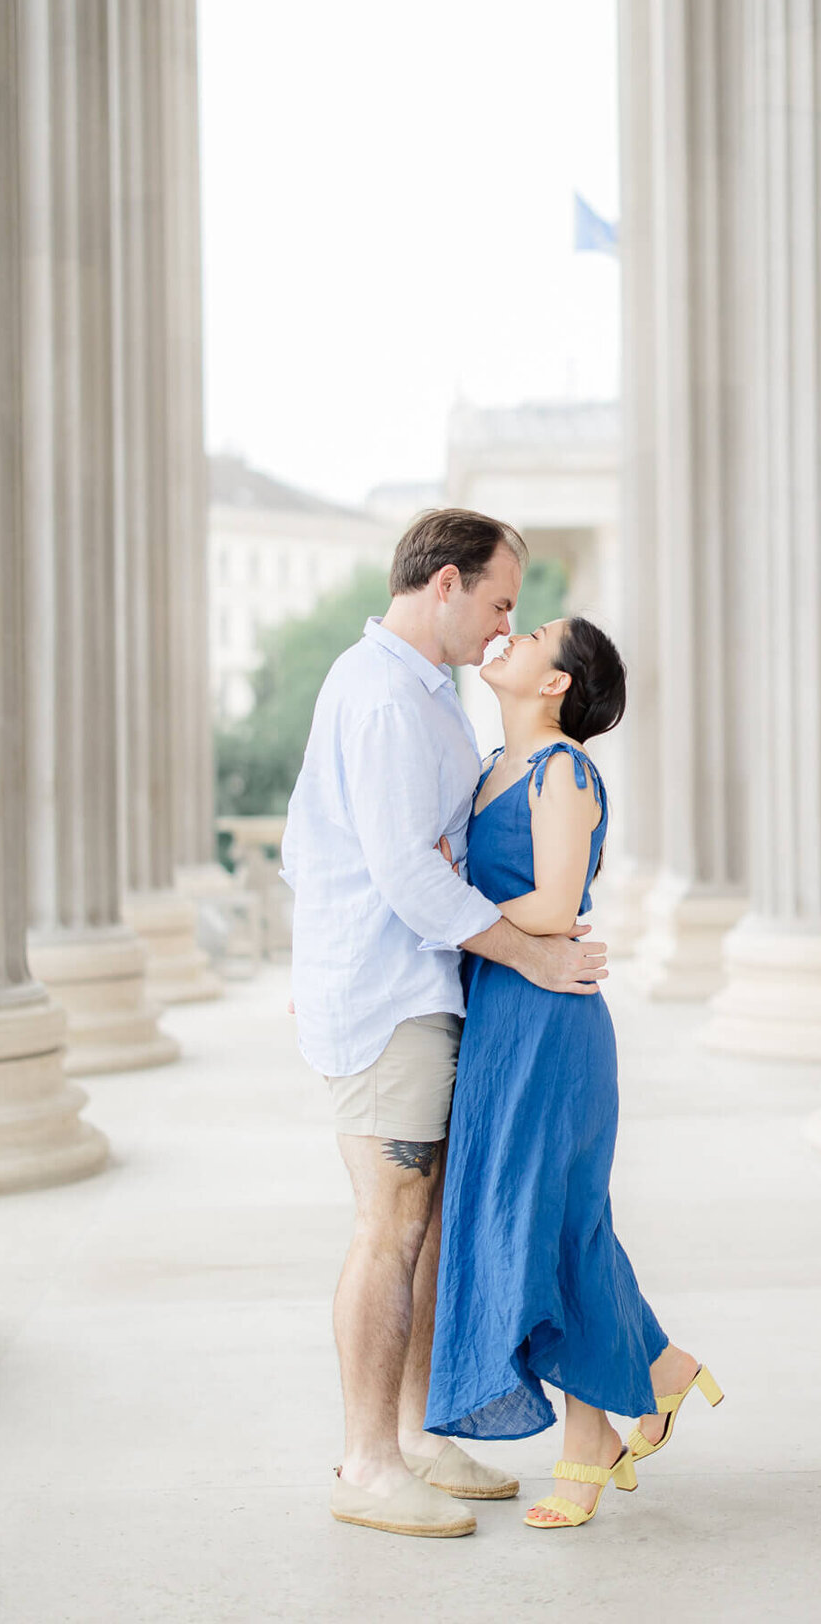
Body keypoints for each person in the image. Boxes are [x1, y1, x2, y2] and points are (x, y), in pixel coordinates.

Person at [281, 511, 608, 1540]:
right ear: (447, 585)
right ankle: (369, 1464)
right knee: (390, 1225)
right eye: (501, 601)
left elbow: (348, 850)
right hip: (387, 997)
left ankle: (416, 1438)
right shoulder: (381, 697)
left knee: (419, 1227)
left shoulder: (423, 698)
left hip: (419, 989)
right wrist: (531, 949)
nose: (505, 625)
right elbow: (403, 871)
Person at [424, 615, 723, 1530]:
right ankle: (658, 1373)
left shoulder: (563, 769)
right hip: (502, 1014)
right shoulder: (490, 770)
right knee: (540, 1224)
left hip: (551, 1021)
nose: (510, 637)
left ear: (557, 684)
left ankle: (603, 1430)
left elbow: (557, 904)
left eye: (536, 634)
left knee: (559, 1225)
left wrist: (444, 904)